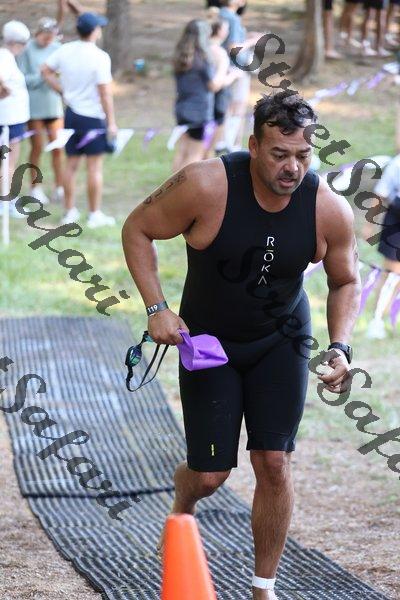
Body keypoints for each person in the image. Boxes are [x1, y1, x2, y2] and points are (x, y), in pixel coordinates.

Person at [122, 91, 361, 600]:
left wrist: (341, 346)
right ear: (253, 146)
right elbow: (137, 228)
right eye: (279, 154)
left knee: (274, 461)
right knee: (210, 475)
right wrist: (156, 307)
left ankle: (262, 587)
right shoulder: (204, 184)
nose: (292, 168)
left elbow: (345, 280)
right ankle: (184, 501)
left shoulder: (326, 207)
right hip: (209, 343)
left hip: (281, 341)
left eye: (303, 155)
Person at [41, 12, 117, 228]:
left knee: (71, 165)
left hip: (72, 114)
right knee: (94, 168)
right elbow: (105, 93)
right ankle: (94, 214)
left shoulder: (65, 50)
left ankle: (69, 212)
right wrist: (111, 122)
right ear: (94, 31)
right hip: (92, 117)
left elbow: (45, 70)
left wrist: (62, 91)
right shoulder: (100, 56)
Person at [173, 19, 237, 172]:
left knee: (182, 151)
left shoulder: (181, 57)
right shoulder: (202, 59)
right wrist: (225, 68)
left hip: (182, 108)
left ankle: (173, 184)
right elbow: (213, 85)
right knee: (195, 153)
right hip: (199, 111)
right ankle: (185, 185)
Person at [18, 18, 64, 205]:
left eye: (51, 37)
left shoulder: (58, 48)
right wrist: (43, 76)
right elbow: (23, 78)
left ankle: (59, 186)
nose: (48, 40)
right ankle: (35, 187)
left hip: (54, 105)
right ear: (38, 33)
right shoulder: (27, 49)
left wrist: (55, 77)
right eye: (46, 36)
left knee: (58, 147)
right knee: (37, 146)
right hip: (35, 107)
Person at [364, 154, 400, 338]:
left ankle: (390, 316)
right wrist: (370, 223)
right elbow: (381, 193)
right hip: (396, 222)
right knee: (391, 273)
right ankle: (376, 320)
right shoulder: (397, 164)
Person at [219, 0, 260, 152]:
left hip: (223, 67)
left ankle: (221, 141)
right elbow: (234, 48)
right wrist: (252, 41)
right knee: (237, 106)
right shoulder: (233, 18)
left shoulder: (219, 14)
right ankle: (232, 145)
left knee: (226, 105)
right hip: (236, 69)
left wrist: (246, 37)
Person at [0, 20, 30, 218]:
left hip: (9, 118)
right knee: (9, 162)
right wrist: (6, 90)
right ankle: (7, 202)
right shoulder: (5, 57)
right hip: (9, 120)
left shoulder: (6, 56)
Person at [207, 15, 239, 157]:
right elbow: (218, 82)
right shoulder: (219, 52)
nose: (228, 31)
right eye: (226, 28)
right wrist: (233, 76)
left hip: (206, 99)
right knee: (210, 143)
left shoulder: (204, 48)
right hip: (218, 98)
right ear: (219, 30)